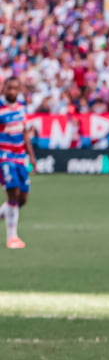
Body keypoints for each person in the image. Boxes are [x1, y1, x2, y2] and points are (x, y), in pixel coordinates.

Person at [0, 77, 36, 249]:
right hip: (4, 157)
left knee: (22, 199)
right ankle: (12, 238)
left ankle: (3, 214)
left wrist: (33, 158)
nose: (12, 91)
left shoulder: (22, 108)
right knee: (12, 194)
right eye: (9, 88)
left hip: (20, 157)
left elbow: (25, 135)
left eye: (15, 88)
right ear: (4, 89)